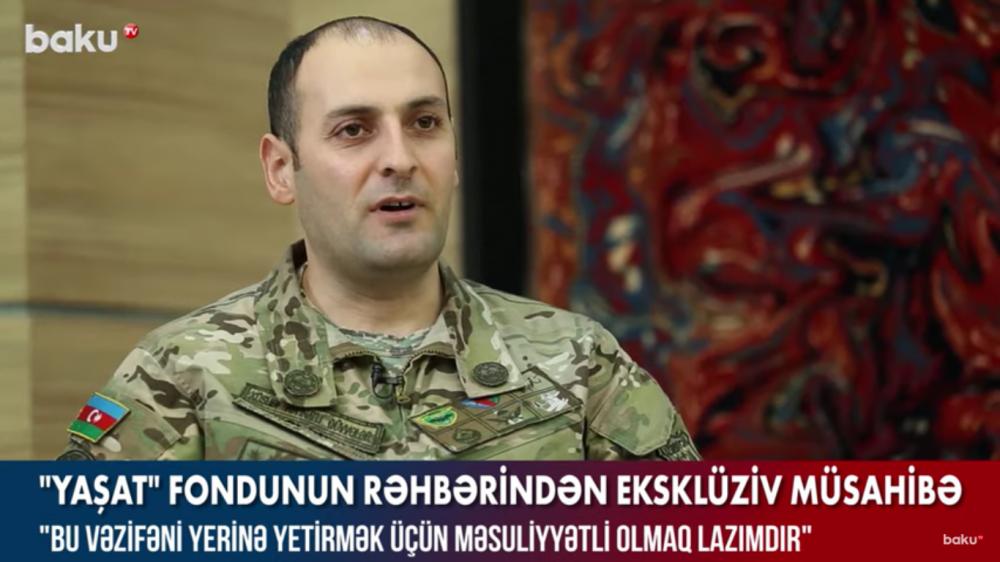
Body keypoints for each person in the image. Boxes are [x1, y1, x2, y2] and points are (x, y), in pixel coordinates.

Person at [57, 16, 699, 461]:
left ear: (455, 157)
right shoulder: (182, 374)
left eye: (424, 123)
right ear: (281, 169)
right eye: (354, 130)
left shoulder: (577, 364)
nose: (399, 159)